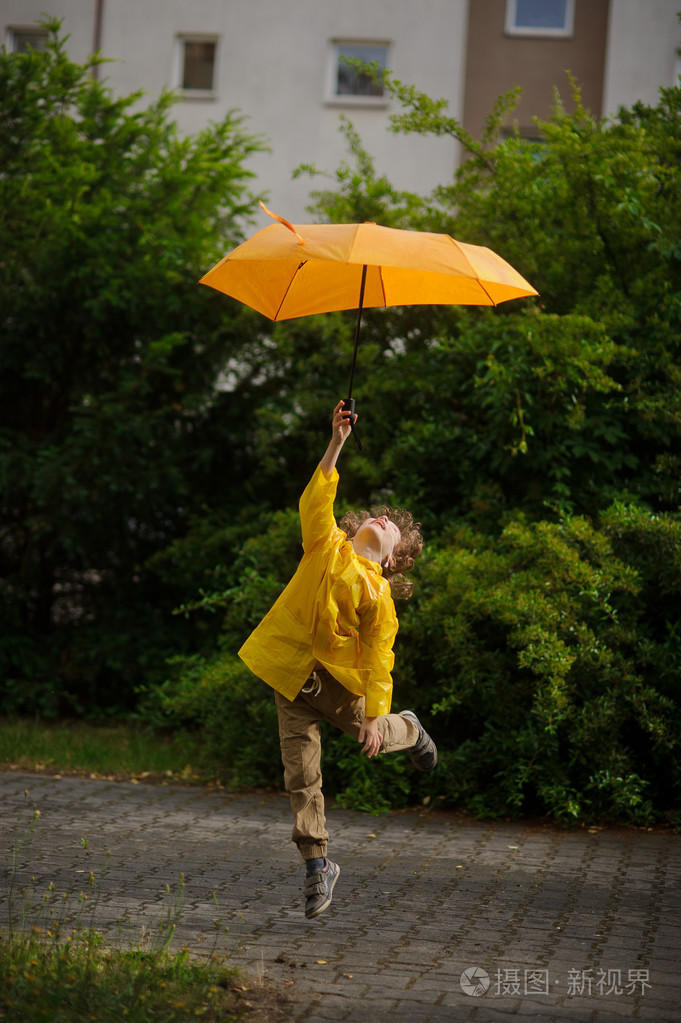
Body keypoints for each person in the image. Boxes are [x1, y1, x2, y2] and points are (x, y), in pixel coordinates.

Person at [238, 400, 437, 919]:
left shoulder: (379, 596)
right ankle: (317, 865)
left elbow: (378, 656)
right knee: (301, 776)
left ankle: (408, 729)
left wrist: (375, 713)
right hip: (290, 679)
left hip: (338, 686)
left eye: (391, 526)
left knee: (371, 734)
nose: (382, 518)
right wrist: (336, 441)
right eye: (379, 514)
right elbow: (315, 500)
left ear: (392, 558)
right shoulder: (325, 544)